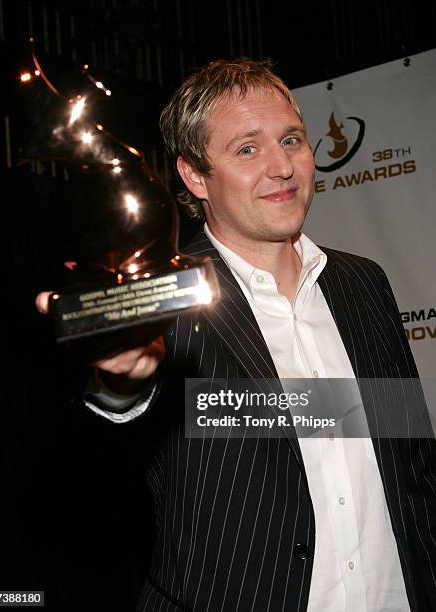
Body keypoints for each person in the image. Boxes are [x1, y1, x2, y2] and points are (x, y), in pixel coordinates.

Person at [37, 59, 436, 611]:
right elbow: (93, 470)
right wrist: (117, 388)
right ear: (195, 176)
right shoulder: (161, 298)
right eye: (247, 149)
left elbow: (410, 457)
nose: (282, 166)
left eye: (291, 139)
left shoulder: (365, 283)